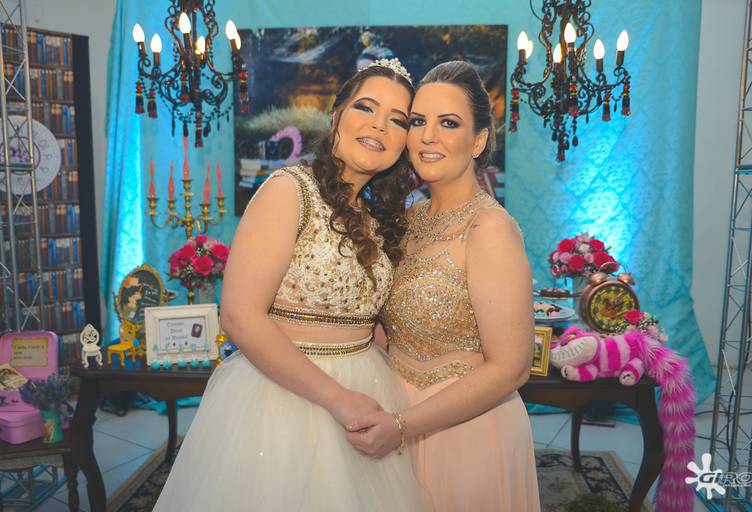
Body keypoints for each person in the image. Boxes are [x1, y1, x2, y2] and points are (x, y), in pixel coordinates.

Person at [154, 58, 427, 511]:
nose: (379, 125)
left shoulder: (376, 215)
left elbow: (367, 317)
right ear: (336, 115)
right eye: (366, 107)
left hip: (369, 386)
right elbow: (239, 316)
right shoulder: (289, 190)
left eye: (397, 119)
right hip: (285, 395)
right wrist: (337, 399)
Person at [347, 60, 541, 511]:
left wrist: (403, 426)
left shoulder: (490, 229)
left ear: (479, 140)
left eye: (448, 123)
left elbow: (512, 367)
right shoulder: (411, 218)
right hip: (398, 421)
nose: (428, 137)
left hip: (467, 434)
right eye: (418, 122)